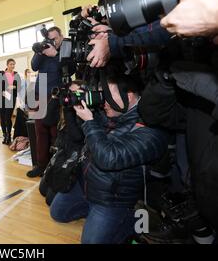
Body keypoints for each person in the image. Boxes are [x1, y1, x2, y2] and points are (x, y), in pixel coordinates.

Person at [49, 73, 169, 244]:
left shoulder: (150, 128)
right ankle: (96, 216)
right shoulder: (111, 110)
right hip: (87, 184)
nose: (104, 102)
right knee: (58, 213)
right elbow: (81, 135)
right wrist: (75, 102)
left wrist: (89, 121)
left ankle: (133, 220)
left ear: (128, 96)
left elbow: (108, 159)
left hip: (113, 199)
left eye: (108, 96)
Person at [27, 27, 64, 177]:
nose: (53, 42)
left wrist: (55, 54)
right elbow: (34, 66)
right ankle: (41, 165)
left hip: (56, 94)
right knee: (40, 131)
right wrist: (39, 50)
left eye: (55, 38)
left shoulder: (65, 49)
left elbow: (70, 68)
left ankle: (56, 166)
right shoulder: (43, 49)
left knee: (55, 131)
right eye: (50, 39)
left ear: (61, 36)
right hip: (40, 92)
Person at [0, 59, 21, 145]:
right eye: (11, 64)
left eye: (14, 64)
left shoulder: (16, 74)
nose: (12, 66)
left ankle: (9, 135)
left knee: (7, 118)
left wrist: (13, 87)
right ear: (7, 65)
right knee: (2, 118)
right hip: (2, 98)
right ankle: (4, 135)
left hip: (11, 98)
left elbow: (18, 87)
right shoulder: (1, 73)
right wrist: (5, 89)